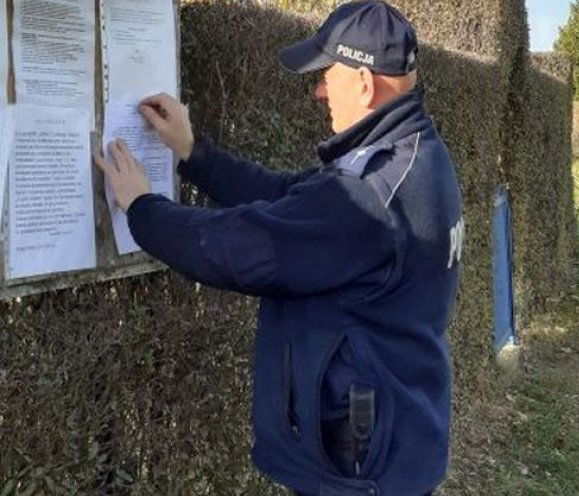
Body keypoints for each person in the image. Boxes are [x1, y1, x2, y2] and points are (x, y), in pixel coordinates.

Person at [94, 2, 463, 495]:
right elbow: (290, 201)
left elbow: (241, 247)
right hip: (396, 444)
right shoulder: (418, 158)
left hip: (358, 469)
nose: (317, 91)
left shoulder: (370, 194)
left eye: (325, 76)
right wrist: (193, 153)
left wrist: (142, 207)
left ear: (363, 83)